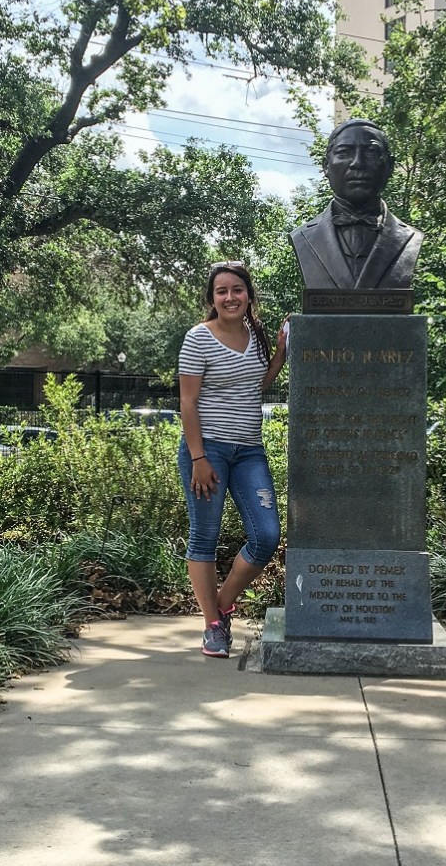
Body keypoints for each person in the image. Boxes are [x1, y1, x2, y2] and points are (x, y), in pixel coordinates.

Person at [178, 261, 287, 658]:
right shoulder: (198, 338)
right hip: (208, 451)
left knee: (267, 535)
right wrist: (198, 458)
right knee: (204, 537)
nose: (230, 297)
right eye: (221, 291)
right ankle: (213, 626)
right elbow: (188, 402)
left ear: (248, 295)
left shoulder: (255, 334)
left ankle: (222, 604)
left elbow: (255, 384)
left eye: (237, 289)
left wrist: (280, 352)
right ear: (212, 298)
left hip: (249, 451)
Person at [289, 118, 423, 289]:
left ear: (390, 166)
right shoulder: (303, 238)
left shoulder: (410, 238)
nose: (357, 163)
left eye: (371, 152)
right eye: (344, 152)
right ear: (326, 166)